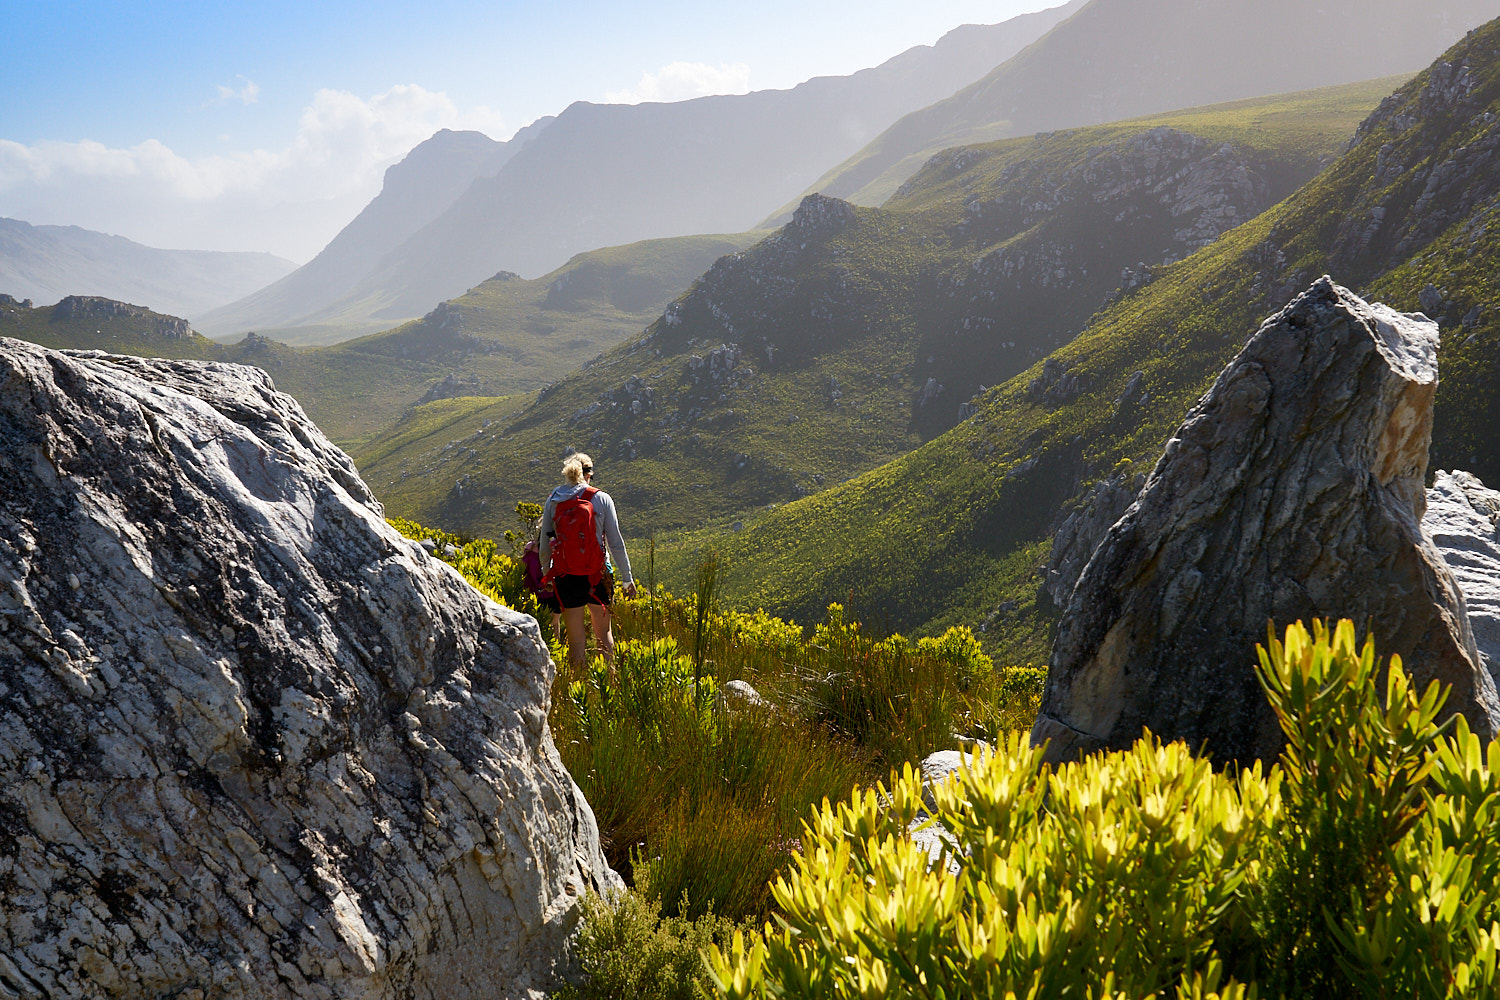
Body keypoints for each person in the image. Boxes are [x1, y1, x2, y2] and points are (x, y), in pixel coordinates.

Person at [540, 452, 637, 669]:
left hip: (566, 575)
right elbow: (616, 543)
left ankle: (578, 688)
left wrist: (547, 573)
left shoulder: (553, 500)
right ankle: (608, 686)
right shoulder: (602, 499)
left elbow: (544, 543)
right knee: (604, 635)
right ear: (589, 474)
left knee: (575, 642)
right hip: (599, 573)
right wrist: (627, 578)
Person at [520, 535, 564, 645]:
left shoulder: (531, 549)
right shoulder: (532, 549)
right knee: (552, 624)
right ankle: (554, 649)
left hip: (546, 593)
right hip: (542, 594)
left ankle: (554, 650)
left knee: (552, 624)